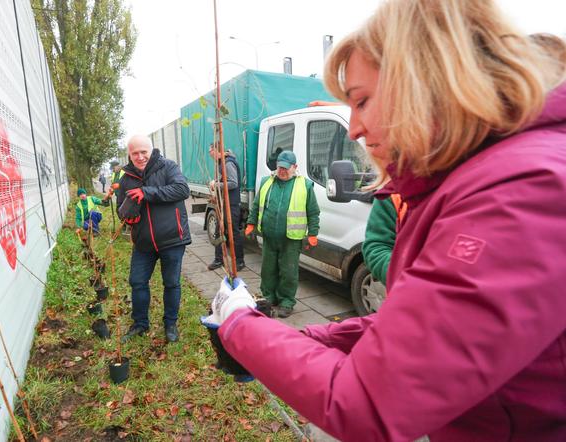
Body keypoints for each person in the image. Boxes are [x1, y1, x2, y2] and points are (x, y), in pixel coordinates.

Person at [205, 1, 566, 440]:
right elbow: (420, 326)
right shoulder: (465, 181)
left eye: (362, 101)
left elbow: (369, 401)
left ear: (425, 78)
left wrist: (240, 328)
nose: (353, 129)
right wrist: (300, 340)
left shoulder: (520, 192)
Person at [117, 134, 191, 343]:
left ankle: (170, 324)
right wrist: (128, 218)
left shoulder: (168, 167)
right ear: (129, 155)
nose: (140, 157)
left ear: (151, 151)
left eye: (143, 152)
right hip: (143, 243)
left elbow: (182, 189)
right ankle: (140, 324)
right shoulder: (126, 179)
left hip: (172, 239)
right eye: (135, 153)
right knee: (137, 282)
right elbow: (120, 209)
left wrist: (146, 192)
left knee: (171, 283)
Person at [244, 150, 320, 318]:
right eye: (280, 167)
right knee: (268, 269)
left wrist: (313, 233)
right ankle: (268, 297)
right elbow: (256, 205)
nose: (282, 171)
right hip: (270, 237)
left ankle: (286, 301)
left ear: (295, 167)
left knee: (288, 272)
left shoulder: (305, 185)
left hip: (291, 239)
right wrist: (251, 222)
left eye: (286, 168)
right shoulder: (267, 183)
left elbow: (313, 212)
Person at [206, 143, 245, 271]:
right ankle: (219, 259)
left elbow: (233, 183)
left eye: (210, 150)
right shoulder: (220, 162)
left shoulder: (227, 163)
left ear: (217, 150)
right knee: (219, 232)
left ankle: (239, 261)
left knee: (233, 233)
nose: (209, 153)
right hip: (223, 204)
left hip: (231, 204)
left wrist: (216, 184)